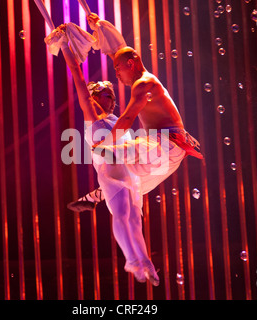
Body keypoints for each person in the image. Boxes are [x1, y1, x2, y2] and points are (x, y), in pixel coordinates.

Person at [51, 24, 160, 286]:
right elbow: (77, 76)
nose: (109, 99)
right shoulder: (92, 116)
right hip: (111, 174)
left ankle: (144, 260)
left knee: (135, 218)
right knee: (122, 214)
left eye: (111, 95)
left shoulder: (118, 120)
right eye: (103, 94)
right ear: (93, 97)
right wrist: (66, 46)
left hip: (130, 172)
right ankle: (131, 259)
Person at [69, 15, 203, 213]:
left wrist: (103, 144)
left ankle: (98, 193)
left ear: (131, 64)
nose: (116, 74)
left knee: (112, 154)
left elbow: (127, 119)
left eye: (117, 68)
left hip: (167, 144)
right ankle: (98, 194)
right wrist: (101, 27)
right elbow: (120, 51)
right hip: (170, 152)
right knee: (128, 178)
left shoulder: (143, 84)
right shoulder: (144, 78)